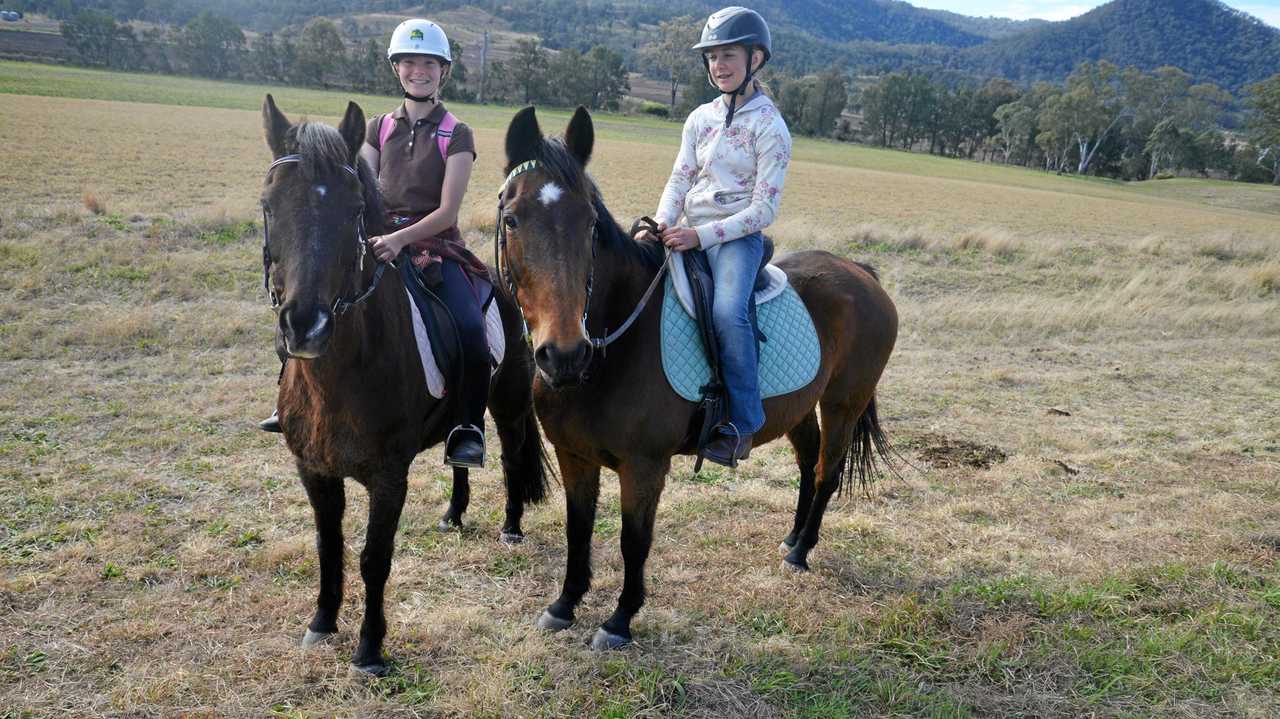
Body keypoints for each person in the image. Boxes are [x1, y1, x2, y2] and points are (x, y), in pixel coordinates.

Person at [261, 18, 490, 469]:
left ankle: (467, 426)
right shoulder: (376, 128)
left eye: (428, 63)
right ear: (396, 69)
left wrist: (399, 238)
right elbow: (362, 193)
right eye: (408, 62)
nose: (417, 71)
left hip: (434, 246)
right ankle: (290, 402)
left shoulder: (456, 134)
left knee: (470, 330)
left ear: (444, 70)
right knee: (307, 299)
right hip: (378, 240)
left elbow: (447, 212)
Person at [636, 6, 792, 466]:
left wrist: (699, 237)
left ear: (755, 59)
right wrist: (662, 223)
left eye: (728, 55)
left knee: (727, 313)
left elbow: (764, 208)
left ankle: (742, 422)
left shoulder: (771, 127)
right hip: (684, 230)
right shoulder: (699, 118)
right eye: (712, 57)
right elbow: (679, 178)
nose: (718, 66)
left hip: (736, 238)